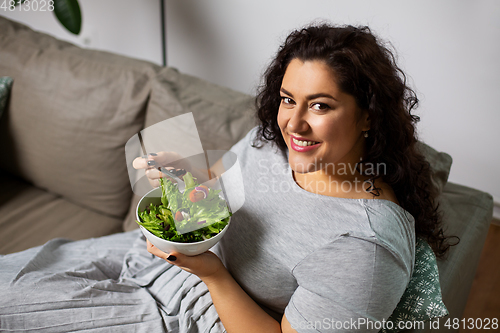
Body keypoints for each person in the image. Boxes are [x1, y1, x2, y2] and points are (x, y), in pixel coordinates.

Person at [0, 23, 452, 333]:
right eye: (288, 99)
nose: (293, 125)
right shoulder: (275, 142)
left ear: (368, 116)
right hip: (154, 261)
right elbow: (216, 191)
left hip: (194, 315)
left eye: (320, 105)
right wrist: (183, 175)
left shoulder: (365, 247)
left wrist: (212, 275)